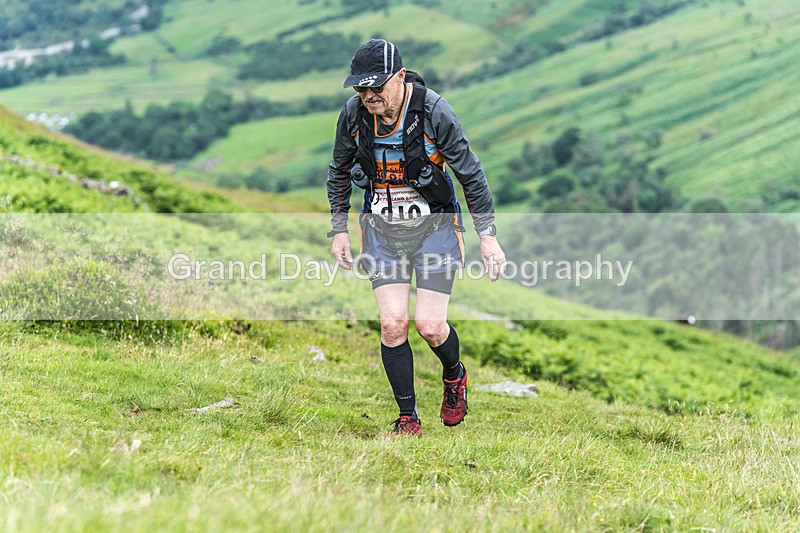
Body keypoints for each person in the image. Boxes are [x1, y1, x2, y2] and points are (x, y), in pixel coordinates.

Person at [326, 38, 505, 436]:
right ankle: (408, 418)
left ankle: (454, 374)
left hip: (435, 230)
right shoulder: (354, 115)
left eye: (377, 86)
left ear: (400, 77)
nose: (368, 95)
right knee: (392, 325)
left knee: (429, 325)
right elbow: (338, 170)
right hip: (381, 231)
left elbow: (471, 173)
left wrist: (487, 236)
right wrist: (338, 230)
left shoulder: (434, 111)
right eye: (360, 88)